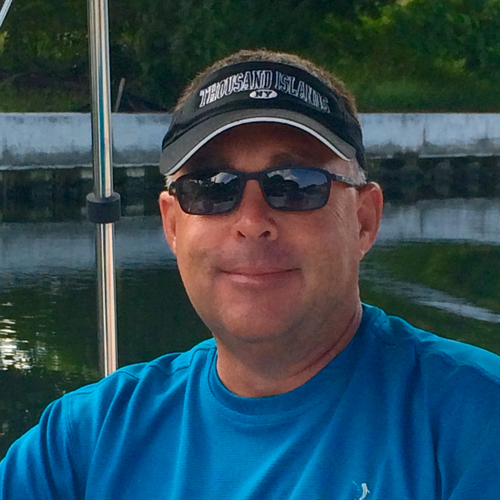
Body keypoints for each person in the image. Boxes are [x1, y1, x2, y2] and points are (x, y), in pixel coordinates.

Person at [1, 49, 500, 500]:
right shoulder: (80, 444)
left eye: (296, 184)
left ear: (364, 221)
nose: (252, 222)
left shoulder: (476, 425)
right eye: (212, 187)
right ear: (173, 225)